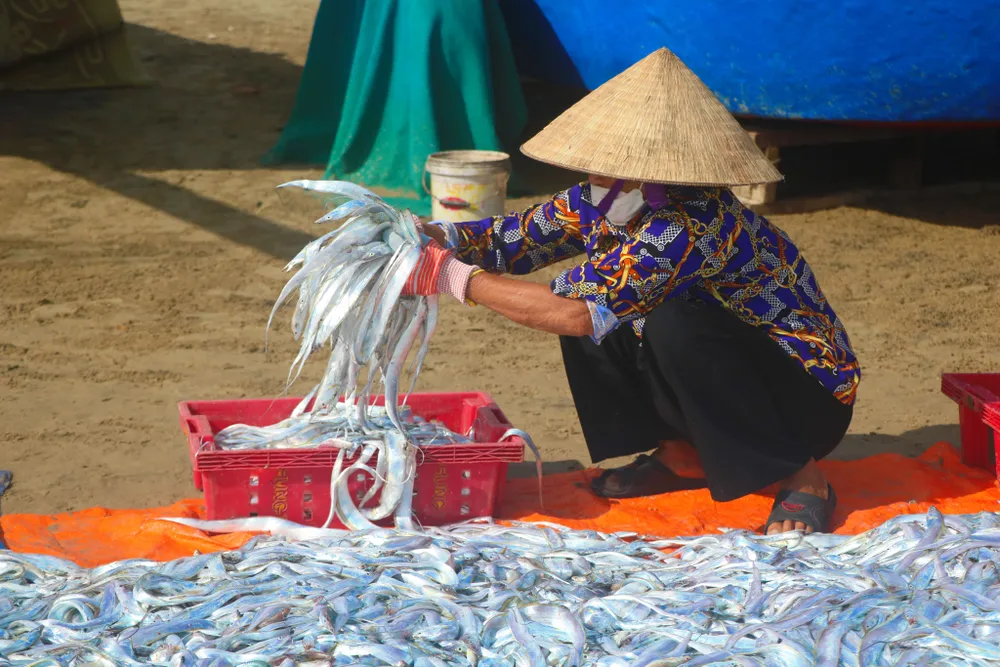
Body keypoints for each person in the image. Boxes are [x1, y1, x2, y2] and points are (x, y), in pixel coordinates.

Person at [402, 48, 860, 535]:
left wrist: (452, 277)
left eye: (606, 170)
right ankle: (684, 457)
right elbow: (508, 240)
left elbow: (578, 314)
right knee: (600, 301)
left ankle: (803, 478)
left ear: (652, 177)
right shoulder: (600, 199)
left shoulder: (691, 223)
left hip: (803, 400)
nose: (592, 181)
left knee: (650, 316)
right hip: (723, 379)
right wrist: (437, 238)